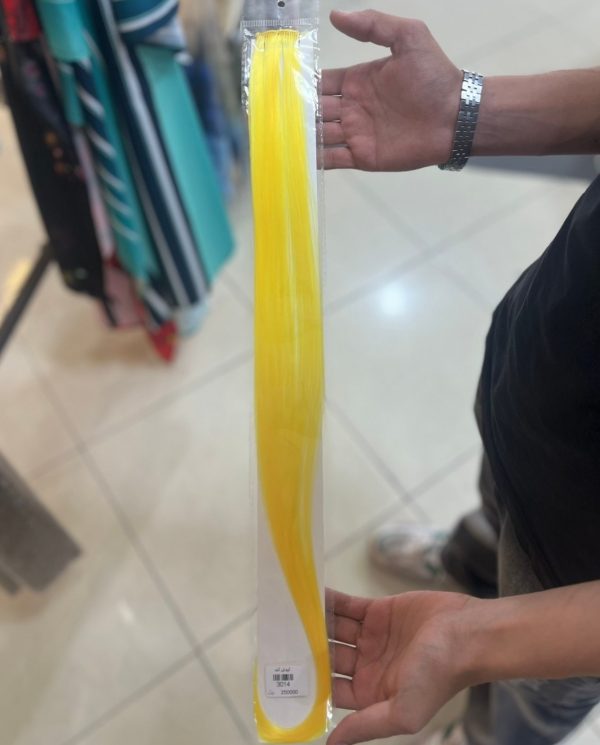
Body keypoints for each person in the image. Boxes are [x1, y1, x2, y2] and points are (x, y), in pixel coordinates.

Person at [322, 9, 600, 745]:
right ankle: (464, 566)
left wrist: (481, 641)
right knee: (494, 512)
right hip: (540, 366)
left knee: (527, 705)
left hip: (581, 567)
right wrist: (465, 111)